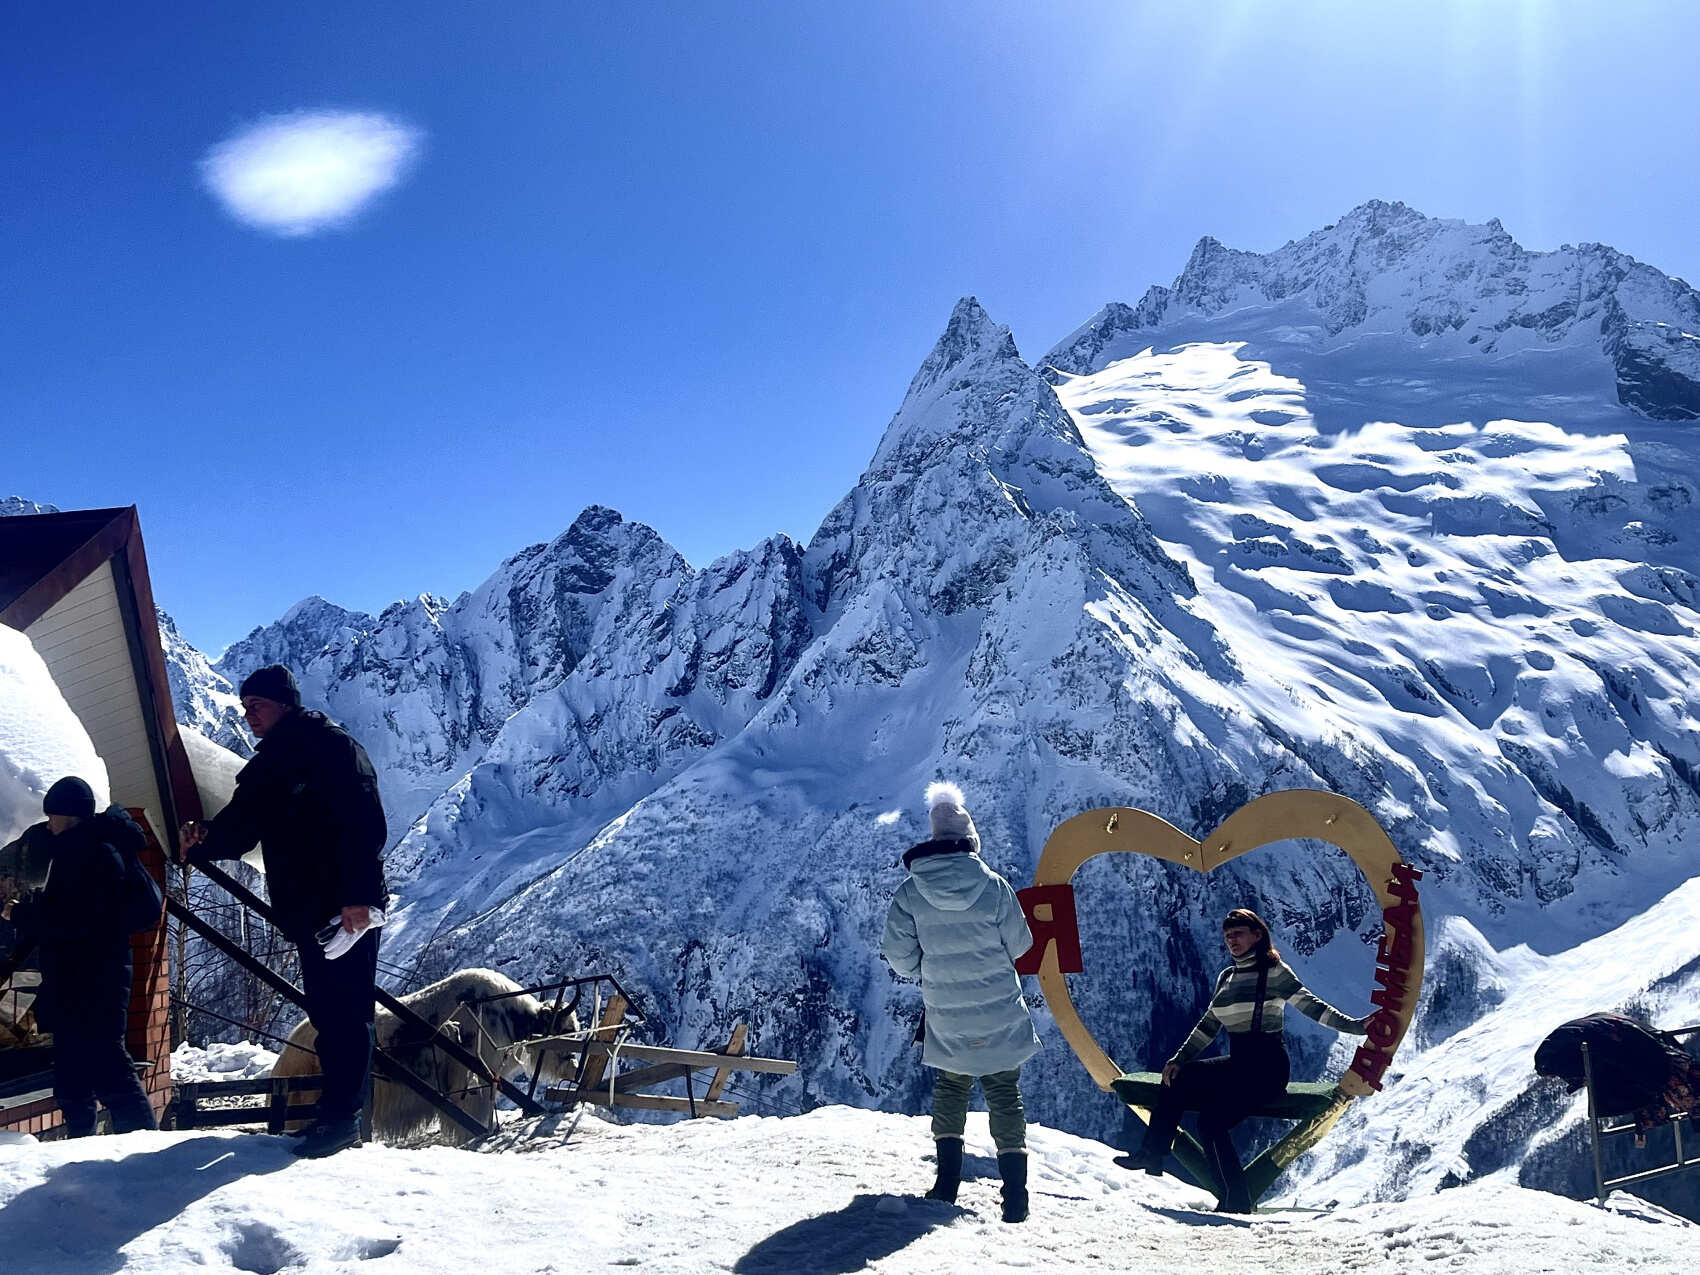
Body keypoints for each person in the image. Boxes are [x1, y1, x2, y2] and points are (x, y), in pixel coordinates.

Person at [179, 664, 388, 1159]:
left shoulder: (334, 748)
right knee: (325, 1011)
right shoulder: (269, 764)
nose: (249, 715)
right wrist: (201, 839)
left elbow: (364, 825)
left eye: (258, 706)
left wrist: (358, 896)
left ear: (285, 704)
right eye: (245, 707)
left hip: (344, 908)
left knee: (346, 1010)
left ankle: (342, 1120)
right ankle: (331, 1114)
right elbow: (239, 826)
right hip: (306, 909)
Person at [1117, 907, 1369, 1212]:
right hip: (1239, 1064)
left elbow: (1312, 1007)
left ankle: (1234, 1200)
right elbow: (1209, 1024)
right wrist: (1178, 1058)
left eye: (1238, 933)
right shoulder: (1227, 977)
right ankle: (1152, 1152)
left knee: (1211, 1122)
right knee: (1178, 1078)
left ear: (1258, 935)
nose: (1231, 940)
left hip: (1266, 1068)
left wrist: (1356, 1026)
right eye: (1227, 936)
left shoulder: (1275, 972)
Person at [881, 782, 1040, 1224]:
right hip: (1001, 1008)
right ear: (970, 842)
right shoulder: (994, 885)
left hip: (945, 1010)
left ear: (933, 842)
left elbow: (897, 954)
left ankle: (947, 1184)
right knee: (1005, 1095)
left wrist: (928, 972)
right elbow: (1022, 945)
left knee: (951, 1090)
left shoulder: (909, 893)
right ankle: (1016, 1197)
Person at [0, 777, 158, 1136]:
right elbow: (70, 912)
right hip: (80, 978)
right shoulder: (83, 848)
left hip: (95, 980)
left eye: (51, 816)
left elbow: (78, 922)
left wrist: (21, 915)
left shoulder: (93, 854)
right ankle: (78, 1145)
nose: (47, 825)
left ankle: (144, 1148)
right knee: (72, 1072)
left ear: (66, 815)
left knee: (110, 1066)